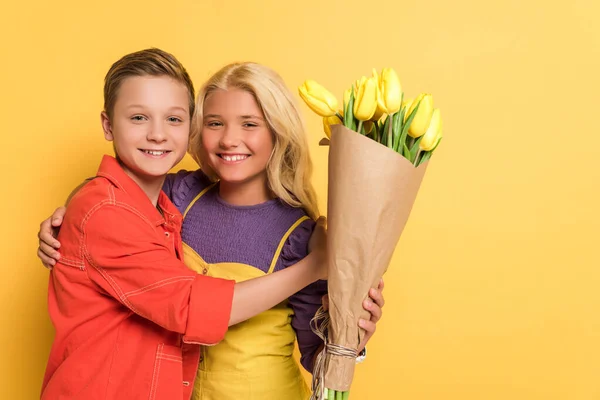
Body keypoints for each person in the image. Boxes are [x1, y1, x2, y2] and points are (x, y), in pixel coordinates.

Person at [40, 49, 329, 400]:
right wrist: (72, 212)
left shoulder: (302, 234)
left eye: (250, 124)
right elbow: (188, 306)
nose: (229, 139)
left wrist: (352, 335)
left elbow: (319, 355)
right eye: (214, 122)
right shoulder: (179, 195)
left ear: (279, 131)